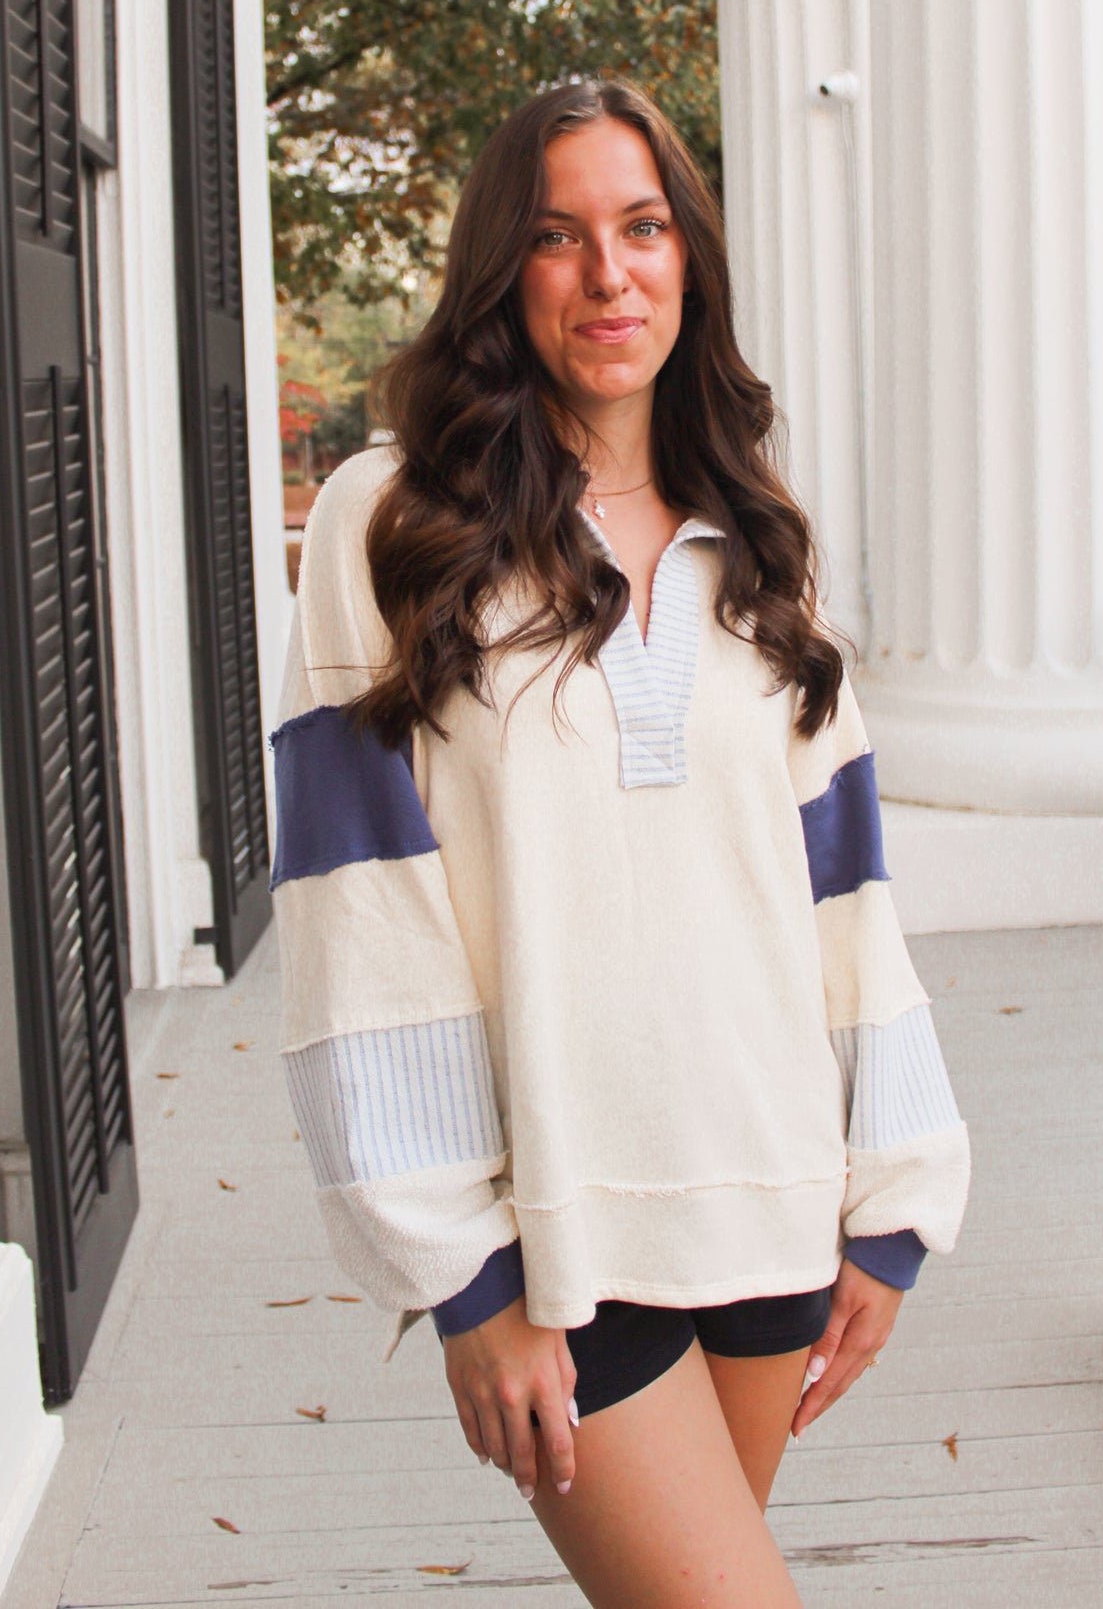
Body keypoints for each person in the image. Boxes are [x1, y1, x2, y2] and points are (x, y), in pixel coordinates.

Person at [270, 80, 971, 1606]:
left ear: (688, 257)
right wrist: (462, 1278)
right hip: (560, 1228)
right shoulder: (390, 523)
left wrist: (894, 1198)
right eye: (556, 236)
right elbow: (358, 906)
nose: (608, 274)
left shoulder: (758, 535)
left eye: (642, 227)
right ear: (497, 270)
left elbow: (841, 894)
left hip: (776, 1196)